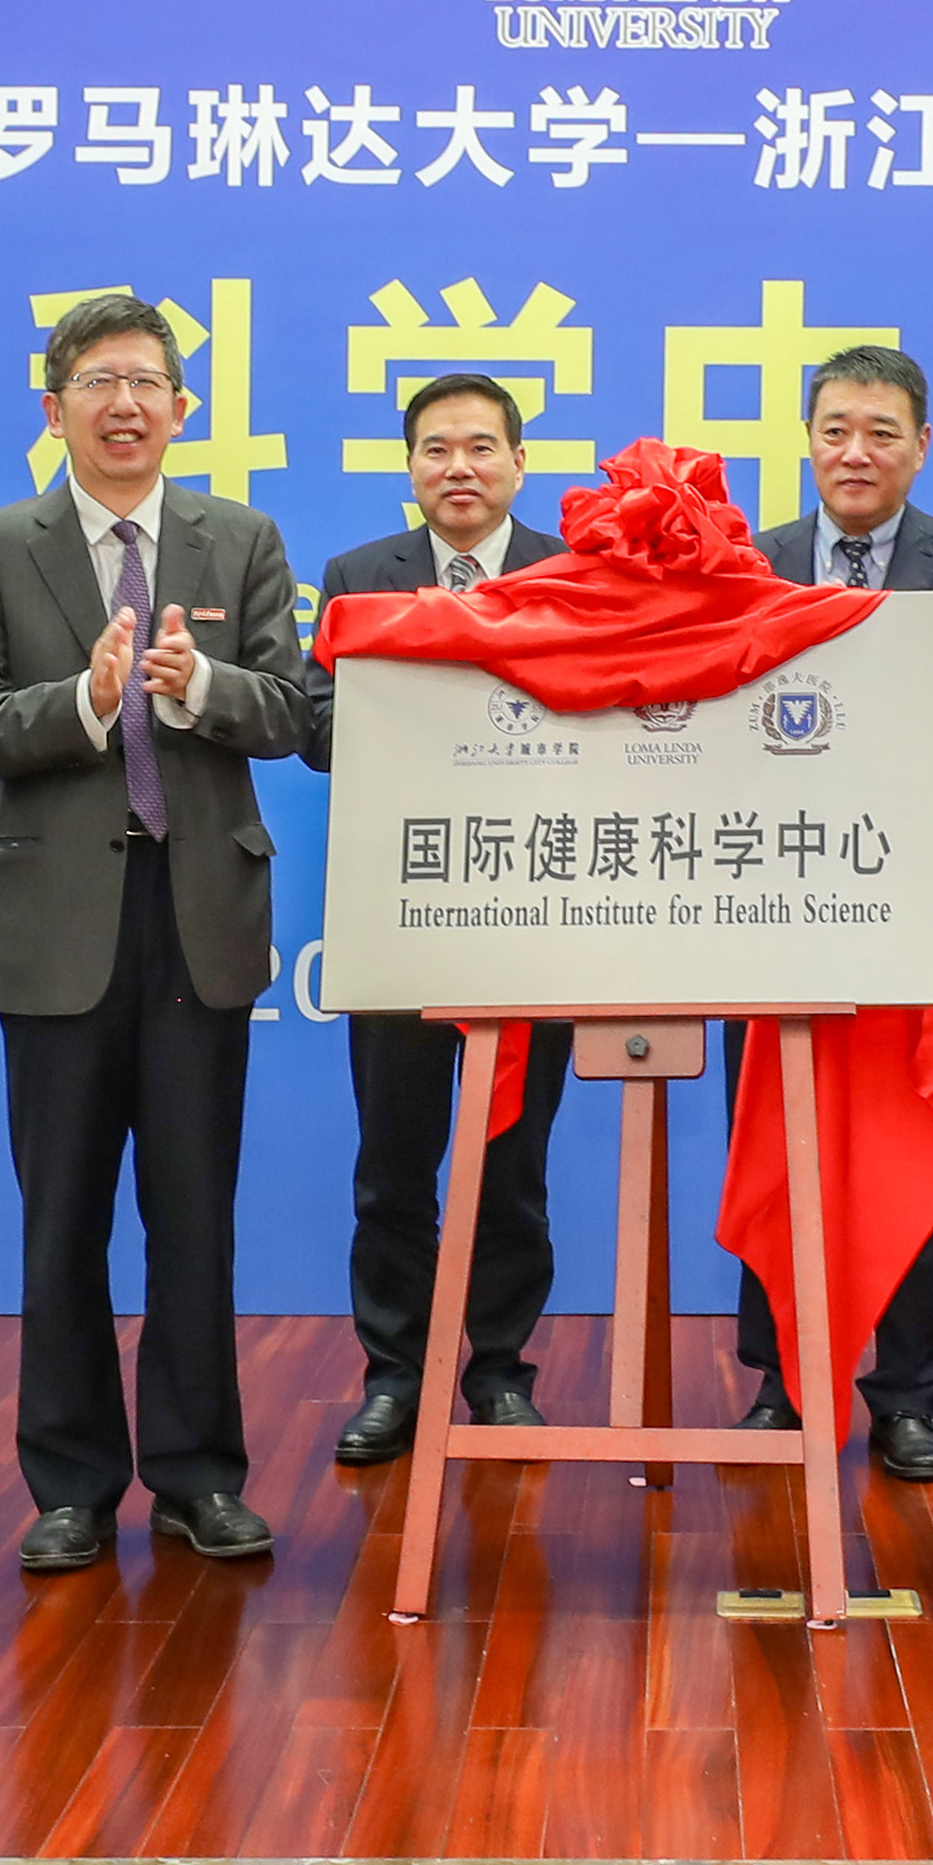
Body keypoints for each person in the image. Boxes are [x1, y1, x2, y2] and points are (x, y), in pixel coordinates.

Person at [0, 290, 309, 1577]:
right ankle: (73, 1484)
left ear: (182, 409)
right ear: (54, 408)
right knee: (64, 1216)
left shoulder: (239, 538)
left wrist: (199, 688)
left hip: (199, 911)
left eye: (149, 381)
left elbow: (294, 710)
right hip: (57, 922)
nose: (126, 404)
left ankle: (203, 1475)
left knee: (194, 1209)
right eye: (98, 381)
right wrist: (85, 701)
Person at [740, 341, 933, 1480]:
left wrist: (867, 660)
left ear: (920, 447)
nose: (856, 451)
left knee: (912, 1137)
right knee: (775, 1138)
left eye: (881, 432)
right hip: (766, 886)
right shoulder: (757, 557)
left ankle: (907, 1393)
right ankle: (780, 1379)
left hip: (909, 890)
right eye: (836, 428)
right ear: (809, 438)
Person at [308, 371, 571, 1471]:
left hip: (541, 900)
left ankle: (501, 1369)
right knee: (395, 1155)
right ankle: (396, 1375)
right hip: (404, 903)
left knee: (512, 1155)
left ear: (518, 462)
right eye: (434, 450)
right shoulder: (361, 577)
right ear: (409, 467)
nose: (457, 468)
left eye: (479, 448)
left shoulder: (574, 571)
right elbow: (320, 731)